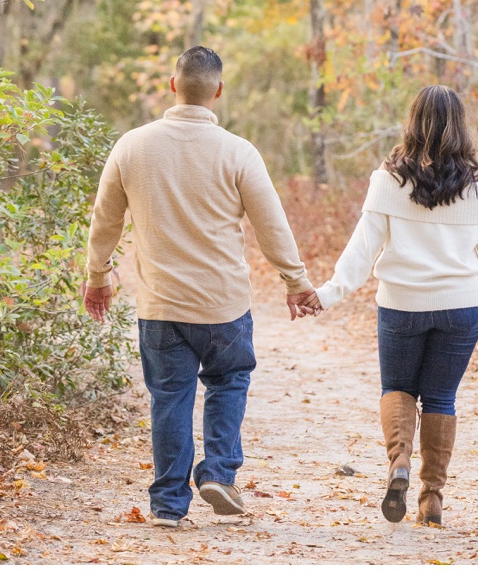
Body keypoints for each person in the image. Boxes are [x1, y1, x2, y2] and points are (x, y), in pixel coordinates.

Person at [82, 46, 320, 528]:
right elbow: (270, 225)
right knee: (229, 381)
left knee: (170, 397)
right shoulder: (237, 151)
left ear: (173, 86)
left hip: (160, 306)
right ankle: (218, 472)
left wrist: (98, 276)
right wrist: (295, 280)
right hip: (223, 305)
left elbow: (105, 220)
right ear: (218, 91)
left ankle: (168, 505)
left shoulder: (132, 145)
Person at [312, 85, 478, 527]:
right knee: (441, 397)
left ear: (413, 123)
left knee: (398, 389)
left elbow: (361, 250)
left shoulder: (388, 181)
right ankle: (431, 499)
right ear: (460, 127)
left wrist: (329, 293)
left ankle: (399, 464)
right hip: (461, 308)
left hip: (401, 304)